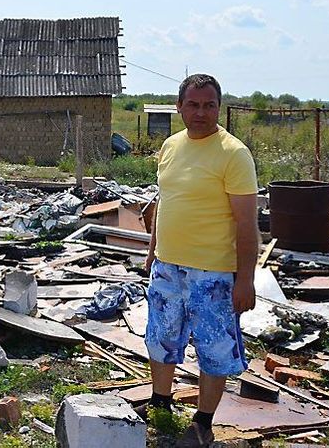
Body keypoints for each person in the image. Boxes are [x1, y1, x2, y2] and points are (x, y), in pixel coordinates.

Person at [142, 74, 259, 448]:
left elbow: (246, 223)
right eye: (193, 104)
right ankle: (160, 400)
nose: (201, 112)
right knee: (161, 338)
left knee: (213, 348)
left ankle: (203, 422)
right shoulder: (171, 146)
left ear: (218, 108)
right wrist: (152, 251)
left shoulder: (233, 153)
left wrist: (245, 280)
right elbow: (164, 203)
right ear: (179, 107)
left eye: (209, 105)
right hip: (167, 266)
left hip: (213, 274)